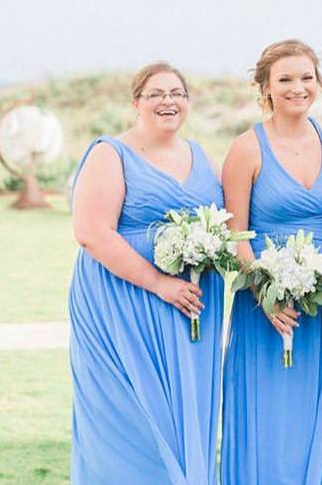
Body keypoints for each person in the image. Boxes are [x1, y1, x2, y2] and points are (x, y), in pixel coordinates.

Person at [69, 63, 226, 484]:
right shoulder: (110, 153)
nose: (168, 101)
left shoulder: (199, 154)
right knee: (133, 413)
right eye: (156, 93)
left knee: (182, 411)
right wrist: (158, 283)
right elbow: (90, 233)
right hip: (124, 301)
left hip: (191, 306)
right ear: (136, 103)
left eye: (177, 93)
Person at [220, 39, 322, 485]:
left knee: (317, 414)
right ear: (266, 87)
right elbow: (235, 236)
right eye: (285, 79)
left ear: (318, 83)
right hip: (265, 307)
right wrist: (266, 295)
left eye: (307, 77)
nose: (298, 87)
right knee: (267, 415)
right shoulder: (247, 149)